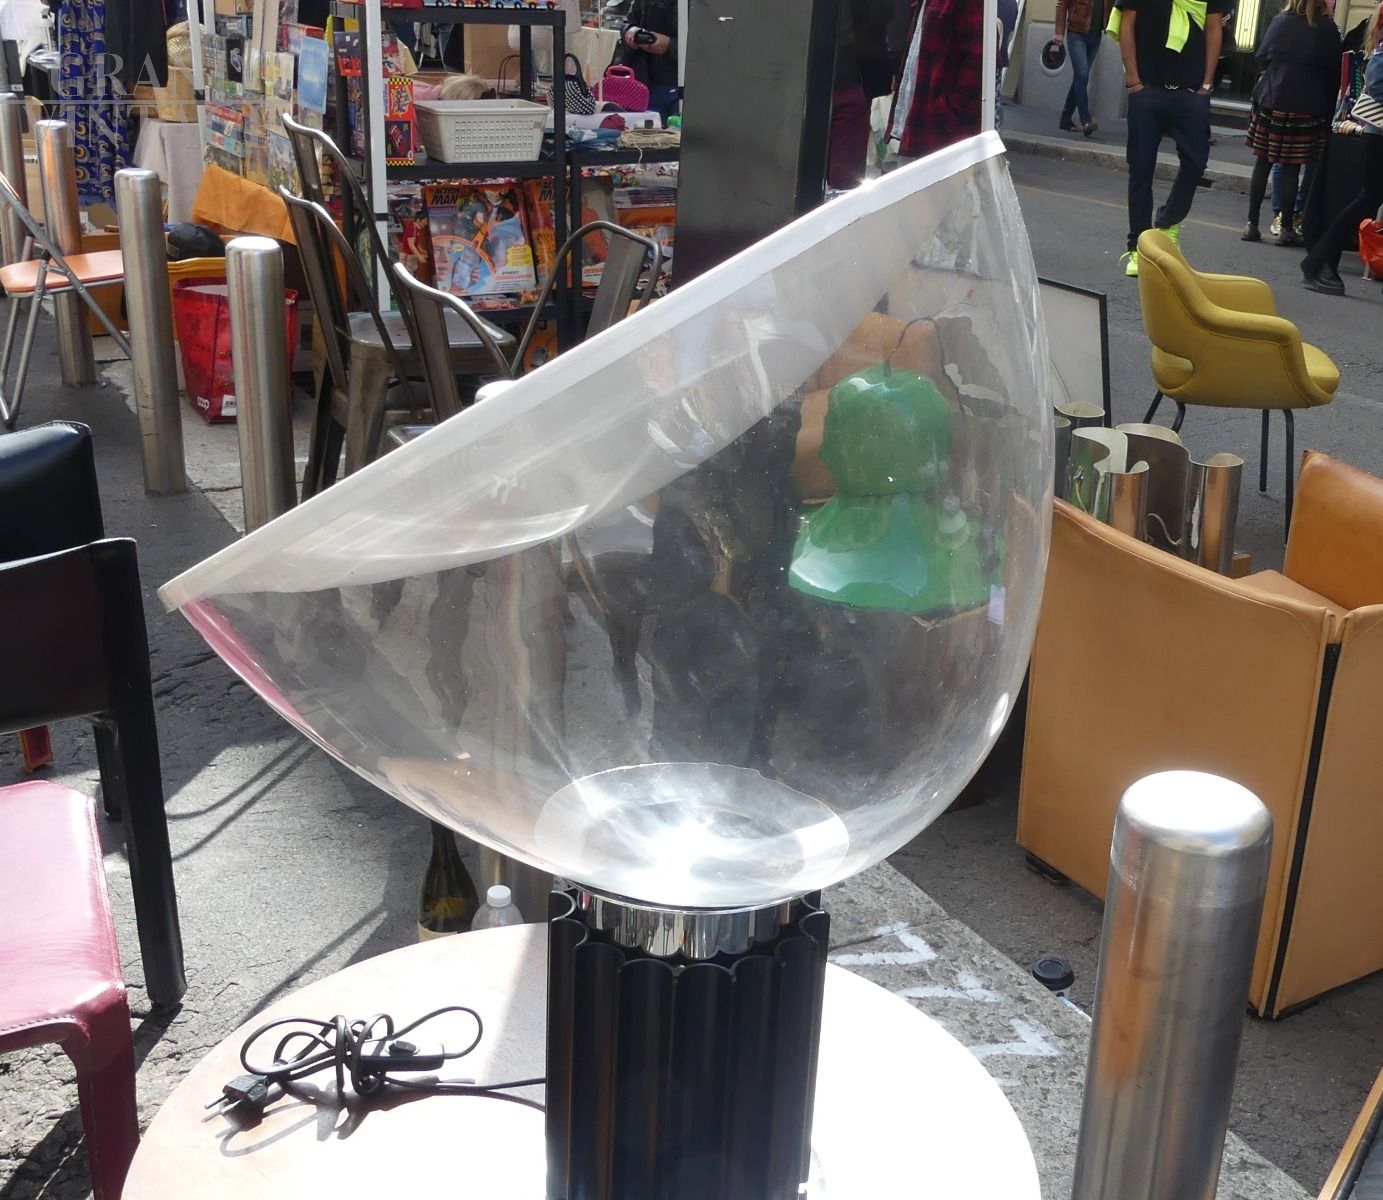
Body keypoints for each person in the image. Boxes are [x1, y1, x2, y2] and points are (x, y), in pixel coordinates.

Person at [1113, 0, 1230, 278]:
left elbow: (1214, 27)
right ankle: (1138, 247)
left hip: (1191, 93)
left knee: (1196, 163)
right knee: (1141, 168)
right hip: (1148, 89)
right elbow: (1126, 23)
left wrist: (1207, 84)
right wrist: (1133, 80)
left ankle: (1168, 222)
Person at [1242, 0, 1341, 245]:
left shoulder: (1280, 21)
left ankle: (1251, 224)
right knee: (1290, 166)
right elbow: (1334, 73)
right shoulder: (1326, 28)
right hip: (1306, 105)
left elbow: (1261, 58)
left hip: (1272, 99)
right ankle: (1286, 228)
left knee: (1262, 162)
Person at [1301, 4, 1383, 293]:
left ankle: (1320, 261)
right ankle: (1319, 261)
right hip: (1380, 134)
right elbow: (1377, 82)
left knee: (1368, 199)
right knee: (1368, 199)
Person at [1054, 0, 1113, 136]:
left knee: (1080, 77)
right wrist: (1059, 31)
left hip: (1096, 35)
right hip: (1076, 33)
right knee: (1082, 74)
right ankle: (1086, 121)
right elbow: (1062, 4)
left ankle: (1066, 118)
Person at [615, 0, 678, 121]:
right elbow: (628, 21)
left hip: (676, 84)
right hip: (640, 81)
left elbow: (705, 42)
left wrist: (670, 45)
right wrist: (631, 31)